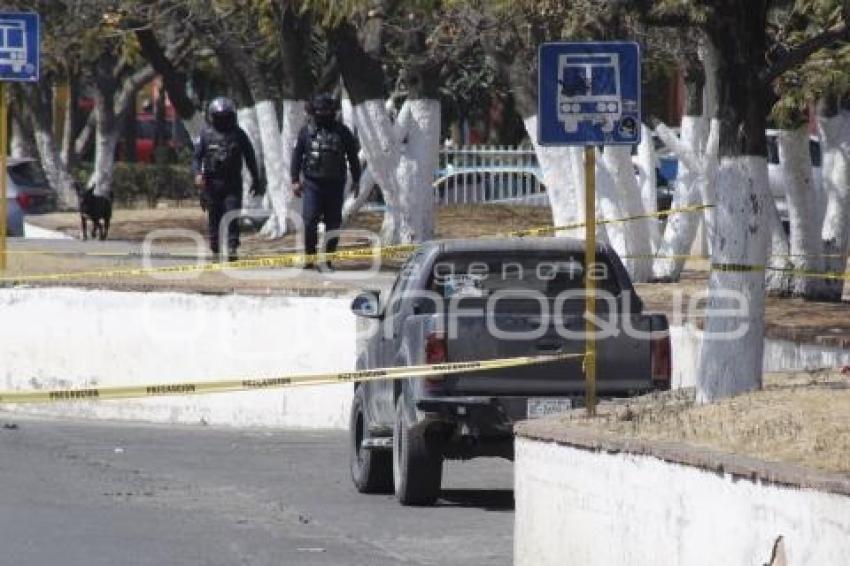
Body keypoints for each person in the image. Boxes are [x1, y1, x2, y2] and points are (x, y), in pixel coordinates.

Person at [291, 93, 361, 271]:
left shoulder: (343, 132)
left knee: (333, 223)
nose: (323, 114)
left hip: (336, 184)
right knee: (309, 222)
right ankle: (309, 257)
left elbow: (353, 157)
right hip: (312, 184)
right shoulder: (305, 132)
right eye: (320, 111)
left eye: (327, 111)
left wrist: (357, 179)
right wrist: (294, 180)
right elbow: (297, 157)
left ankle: (327, 260)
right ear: (314, 112)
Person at [193, 97, 264, 262]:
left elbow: (250, 156)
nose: (223, 120)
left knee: (232, 214)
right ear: (212, 117)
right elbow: (196, 158)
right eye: (219, 117)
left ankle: (232, 247)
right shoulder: (205, 135)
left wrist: (255, 178)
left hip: (232, 183)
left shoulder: (238, 134)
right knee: (214, 217)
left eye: (226, 116)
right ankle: (216, 249)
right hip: (212, 183)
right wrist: (197, 174)